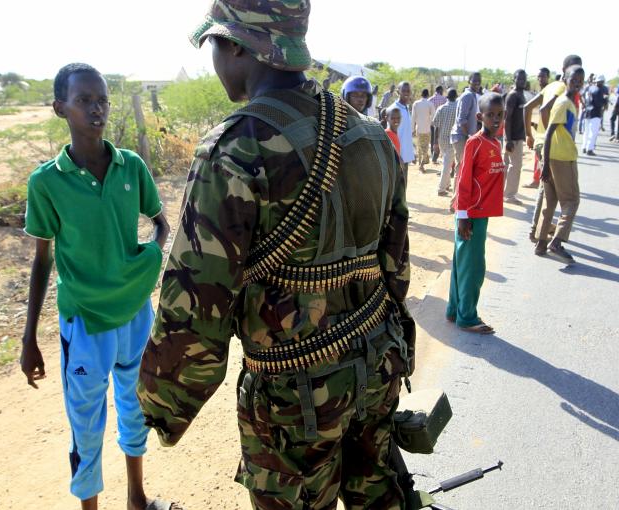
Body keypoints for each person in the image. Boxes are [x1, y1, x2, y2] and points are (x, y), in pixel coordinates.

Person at [138, 2, 413, 508]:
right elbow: (395, 267)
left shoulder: (236, 147)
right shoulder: (369, 134)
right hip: (379, 363)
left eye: (214, 46)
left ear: (237, 44)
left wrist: (162, 404)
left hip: (298, 400)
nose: (214, 60)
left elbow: (197, 304)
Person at [19, 63, 174, 510]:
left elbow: (160, 225)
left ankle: (137, 499)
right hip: (84, 321)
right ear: (60, 107)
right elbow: (42, 260)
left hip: (134, 313)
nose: (96, 108)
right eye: (84, 100)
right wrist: (29, 338)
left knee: (134, 407)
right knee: (85, 423)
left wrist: (147, 261)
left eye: (102, 99)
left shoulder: (131, 166)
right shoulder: (47, 181)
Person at [447, 93, 505, 334]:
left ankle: (454, 310)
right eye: (490, 115)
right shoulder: (475, 142)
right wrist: (463, 215)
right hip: (471, 215)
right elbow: (463, 180)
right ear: (480, 116)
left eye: (500, 115)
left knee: (463, 263)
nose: (495, 119)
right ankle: (468, 317)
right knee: (473, 266)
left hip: (481, 213)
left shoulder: (496, 143)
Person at [524, 56, 582, 244]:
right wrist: (555, 132)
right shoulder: (562, 90)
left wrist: (530, 135)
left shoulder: (551, 87)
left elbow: (528, 108)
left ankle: (539, 236)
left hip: (544, 143)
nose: (577, 82)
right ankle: (538, 232)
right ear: (565, 72)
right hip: (553, 146)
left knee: (547, 192)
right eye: (573, 74)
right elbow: (543, 111)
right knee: (549, 193)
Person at [535, 65, 584, 263]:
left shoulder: (568, 102)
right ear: (565, 79)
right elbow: (549, 133)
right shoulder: (564, 102)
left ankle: (540, 243)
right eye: (574, 80)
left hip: (555, 158)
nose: (577, 84)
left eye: (581, 81)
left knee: (551, 203)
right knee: (571, 202)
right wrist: (545, 164)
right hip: (562, 158)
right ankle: (557, 241)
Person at [523, 67, 551, 190]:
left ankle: (537, 181)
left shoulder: (548, 91)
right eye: (539, 76)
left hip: (545, 132)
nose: (540, 79)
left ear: (548, 77)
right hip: (541, 129)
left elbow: (528, 108)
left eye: (543, 76)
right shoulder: (544, 91)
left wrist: (529, 133)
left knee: (539, 157)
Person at [503, 69, 528, 204]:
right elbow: (507, 119)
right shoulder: (513, 95)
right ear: (514, 79)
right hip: (513, 138)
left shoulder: (521, 94)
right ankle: (509, 195)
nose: (522, 81)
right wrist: (509, 139)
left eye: (524, 79)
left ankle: (504, 193)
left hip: (517, 137)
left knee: (507, 165)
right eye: (519, 79)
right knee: (515, 166)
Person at [450, 72, 483, 172]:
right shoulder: (468, 96)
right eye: (474, 80)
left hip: (465, 136)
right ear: (469, 81)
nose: (477, 83)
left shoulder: (472, 95)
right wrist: (469, 136)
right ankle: (458, 188)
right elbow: (461, 119)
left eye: (479, 81)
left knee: (465, 168)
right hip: (462, 137)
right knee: (461, 168)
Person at [433, 88, 459, 196]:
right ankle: (441, 188)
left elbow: (436, 126)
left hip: (441, 139)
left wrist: (435, 141)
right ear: (456, 97)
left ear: (447, 97)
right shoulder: (458, 108)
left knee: (446, 162)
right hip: (453, 140)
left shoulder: (441, 108)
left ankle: (447, 184)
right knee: (447, 164)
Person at [389, 81, 415, 177]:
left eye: (408, 91)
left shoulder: (406, 108)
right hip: (397, 158)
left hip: (405, 157)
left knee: (402, 188)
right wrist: (397, 157)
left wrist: (411, 152)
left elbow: (406, 133)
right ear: (398, 91)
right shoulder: (394, 109)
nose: (406, 93)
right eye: (403, 90)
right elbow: (390, 135)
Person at [581, 74, 608, 156]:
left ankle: (584, 147)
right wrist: (605, 100)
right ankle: (590, 149)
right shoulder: (599, 90)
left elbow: (583, 96)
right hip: (595, 113)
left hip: (587, 112)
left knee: (586, 131)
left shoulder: (589, 88)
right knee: (593, 132)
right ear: (602, 82)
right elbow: (598, 103)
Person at [412, 88, 436, 172]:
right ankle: (421, 165)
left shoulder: (416, 103)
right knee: (425, 147)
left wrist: (412, 129)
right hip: (427, 128)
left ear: (421, 94)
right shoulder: (430, 104)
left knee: (419, 146)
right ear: (428, 95)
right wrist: (429, 121)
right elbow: (433, 116)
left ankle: (420, 163)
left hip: (418, 128)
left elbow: (413, 117)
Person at [429, 85, 448, 163]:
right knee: (440, 139)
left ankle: (433, 155)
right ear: (440, 90)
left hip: (432, 122)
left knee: (433, 139)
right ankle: (437, 156)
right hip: (442, 123)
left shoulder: (430, 99)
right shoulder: (444, 99)